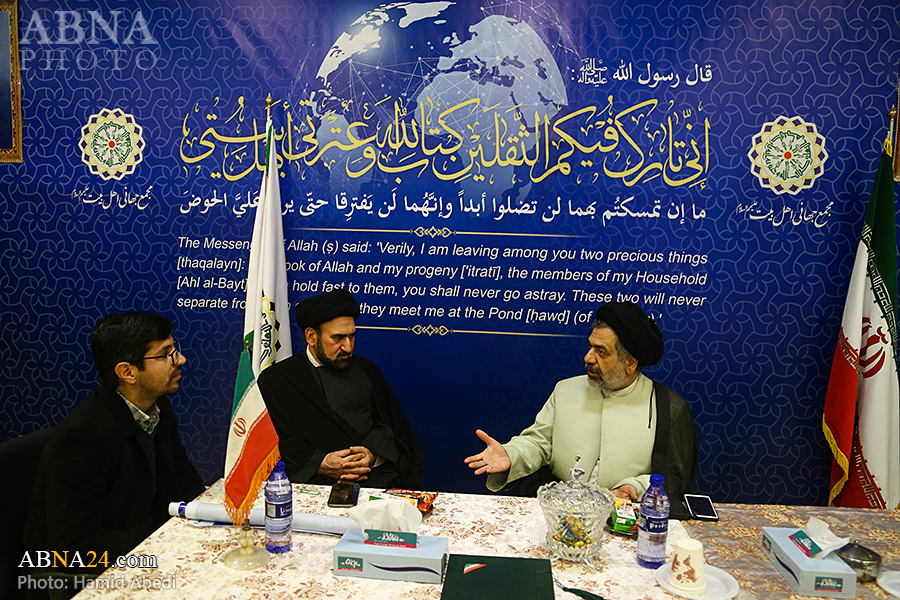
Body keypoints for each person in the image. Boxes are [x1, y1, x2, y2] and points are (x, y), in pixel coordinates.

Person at [25, 312, 205, 573]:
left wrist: (207, 517)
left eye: (174, 349)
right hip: (89, 571)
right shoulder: (84, 436)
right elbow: (75, 545)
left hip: (145, 546)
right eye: (165, 354)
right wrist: (161, 548)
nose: (180, 359)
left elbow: (182, 477)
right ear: (127, 372)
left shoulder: (158, 407)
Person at [466, 301, 698, 503]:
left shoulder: (668, 407)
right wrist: (511, 455)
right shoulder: (565, 389)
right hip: (559, 508)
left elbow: (676, 477)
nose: (588, 358)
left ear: (630, 363)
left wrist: (634, 487)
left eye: (601, 352)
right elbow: (539, 443)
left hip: (623, 517)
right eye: (590, 346)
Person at [257, 289, 424, 488]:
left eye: (351, 337)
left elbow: (394, 432)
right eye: (338, 338)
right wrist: (318, 463)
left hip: (372, 483)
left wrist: (372, 455)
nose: (348, 347)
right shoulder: (276, 380)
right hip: (311, 488)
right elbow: (267, 445)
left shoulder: (367, 371)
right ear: (311, 337)